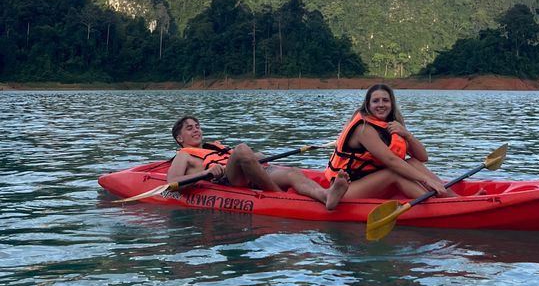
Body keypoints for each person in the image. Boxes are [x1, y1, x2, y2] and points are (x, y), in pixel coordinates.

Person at [168, 115, 350, 211]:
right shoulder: (183, 156)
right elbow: (172, 182)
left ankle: (326, 196)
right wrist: (208, 172)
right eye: (189, 128)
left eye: (197, 126)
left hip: (248, 174)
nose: (196, 130)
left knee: (293, 172)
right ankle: (279, 196)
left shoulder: (214, 147)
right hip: (227, 181)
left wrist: (254, 157)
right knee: (241, 149)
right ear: (179, 137)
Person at [324, 83, 455, 200]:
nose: (381, 105)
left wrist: (407, 135)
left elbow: (422, 157)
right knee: (394, 173)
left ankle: (454, 198)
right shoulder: (363, 128)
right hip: (346, 188)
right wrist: (426, 180)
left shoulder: (392, 124)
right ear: (368, 105)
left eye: (385, 100)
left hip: (373, 181)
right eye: (375, 101)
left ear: (391, 104)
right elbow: (391, 161)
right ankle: (437, 205)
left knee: (412, 162)